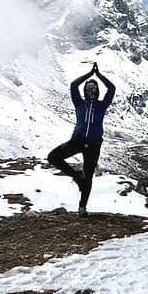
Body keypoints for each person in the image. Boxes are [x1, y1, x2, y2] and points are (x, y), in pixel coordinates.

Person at [47, 63, 115, 214]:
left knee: (89, 175)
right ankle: (76, 175)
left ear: (98, 91)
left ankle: (82, 207)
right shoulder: (79, 103)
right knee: (52, 157)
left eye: (94, 88)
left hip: (94, 144)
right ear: (85, 91)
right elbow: (73, 85)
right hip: (77, 141)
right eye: (89, 88)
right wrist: (90, 74)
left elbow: (111, 89)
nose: (92, 90)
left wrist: (99, 76)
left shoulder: (102, 105)